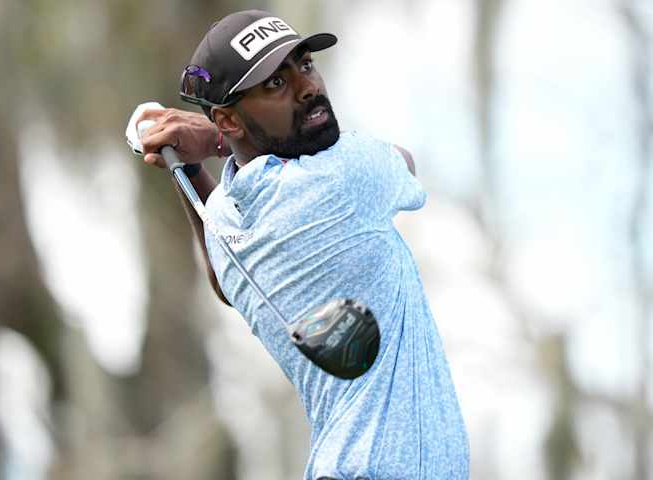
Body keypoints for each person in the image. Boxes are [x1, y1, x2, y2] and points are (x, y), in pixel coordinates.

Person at [136, 10, 469, 480]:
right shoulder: (344, 176)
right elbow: (405, 163)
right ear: (228, 118)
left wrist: (193, 166)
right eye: (275, 84)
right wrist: (210, 143)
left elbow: (224, 274)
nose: (308, 87)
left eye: (305, 64)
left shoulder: (230, 218)